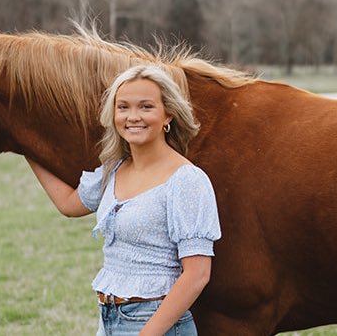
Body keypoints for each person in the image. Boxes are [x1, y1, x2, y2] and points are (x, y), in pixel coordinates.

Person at [26, 65, 220, 336]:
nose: (133, 117)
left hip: (155, 324)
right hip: (108, 318)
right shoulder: (115, 170)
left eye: (146, 107)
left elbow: (197, 274)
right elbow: (68, 204)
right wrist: (24, 145)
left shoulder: (186, 180)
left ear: (169, 115)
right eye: (123, 107)